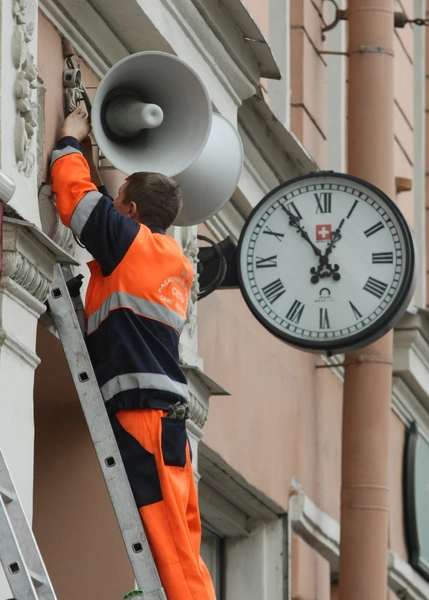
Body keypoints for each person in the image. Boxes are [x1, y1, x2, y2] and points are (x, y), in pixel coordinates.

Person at [50, 107, 216, 600]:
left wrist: (68, 140)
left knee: (170, 547)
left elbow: (79, 203)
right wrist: (112, 188)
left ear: (133, 216)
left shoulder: (132, 245)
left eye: (119, 205)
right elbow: (107, 210)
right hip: (166, 420)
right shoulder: (173, 264)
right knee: (182, 544)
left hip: (144, 415)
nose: (113, 208)